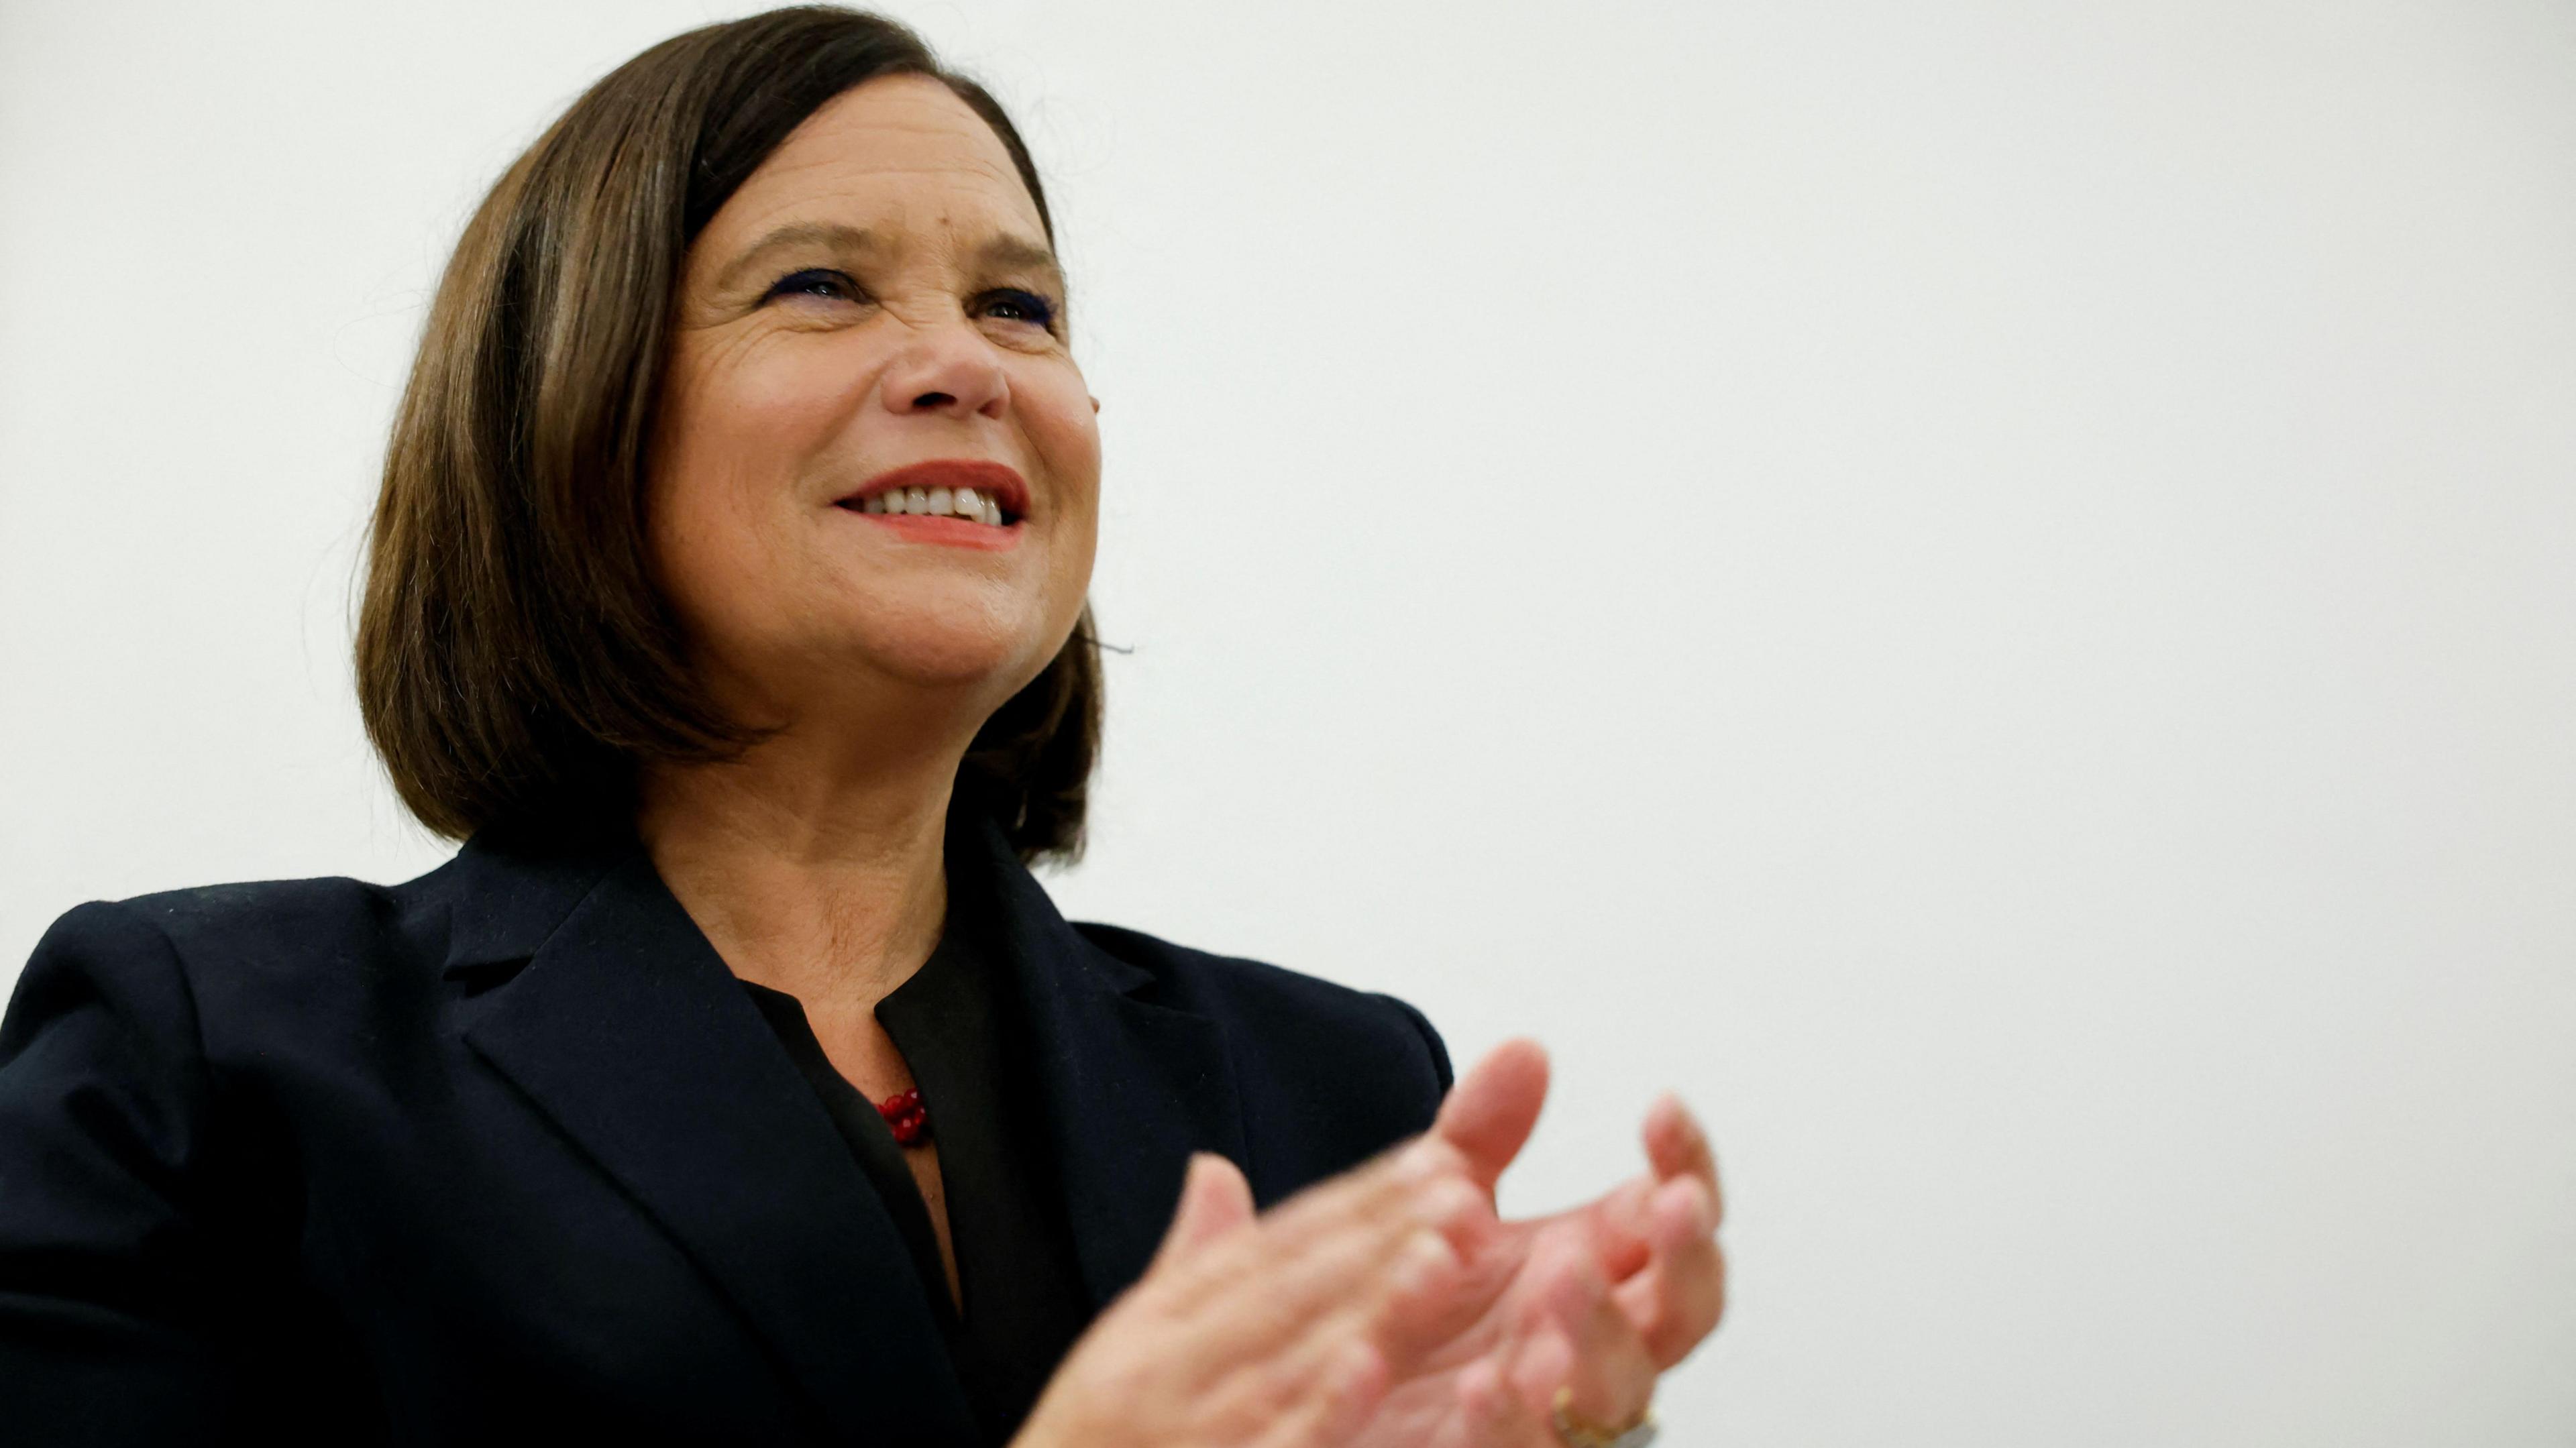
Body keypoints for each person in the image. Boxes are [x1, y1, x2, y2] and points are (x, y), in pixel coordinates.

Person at [0, 7, 1723, 1444]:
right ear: (571, 414)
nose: (962, 361)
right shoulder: (197, 1067)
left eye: (1019, 306)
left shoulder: (1343, 1094)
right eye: (823, 284)